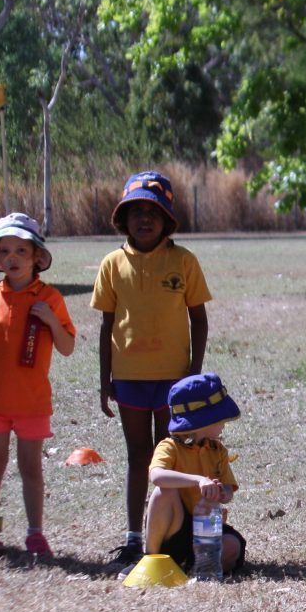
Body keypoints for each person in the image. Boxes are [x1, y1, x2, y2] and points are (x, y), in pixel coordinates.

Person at [93, 172, 211, 566]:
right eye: (136, 211)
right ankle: (134, 538)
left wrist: (192, 374)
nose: (145, 218)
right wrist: (103, 380)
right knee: (137, 456)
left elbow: (200, 319)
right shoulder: (112, 264)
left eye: (153, 211)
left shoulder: (184, 261)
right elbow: (106, 324)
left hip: (174, 381)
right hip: (129, 380)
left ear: (167, 219)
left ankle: (173, 538)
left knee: (172, 457)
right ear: (122, 218)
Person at [0, 212, 76, 557]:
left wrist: (49, 320)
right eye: (5, 251)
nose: (12, 258)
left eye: (21, 251)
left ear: (36, 258)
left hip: (32, 402)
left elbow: (67, 347)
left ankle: (35, 535)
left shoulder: (50, 298)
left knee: (30, 468)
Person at [141, 373, 247, 575]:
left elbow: (228, 489)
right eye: (220, 419)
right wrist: (197, 480)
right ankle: (150, 561)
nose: (224, 424)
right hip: (175, 526)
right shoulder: (169, 447)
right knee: (164, 492)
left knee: (232, 546)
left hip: (207, 527)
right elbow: (157, 476)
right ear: (203, 420)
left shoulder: (218, 450)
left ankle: (196, 567)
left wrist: (222, 493)